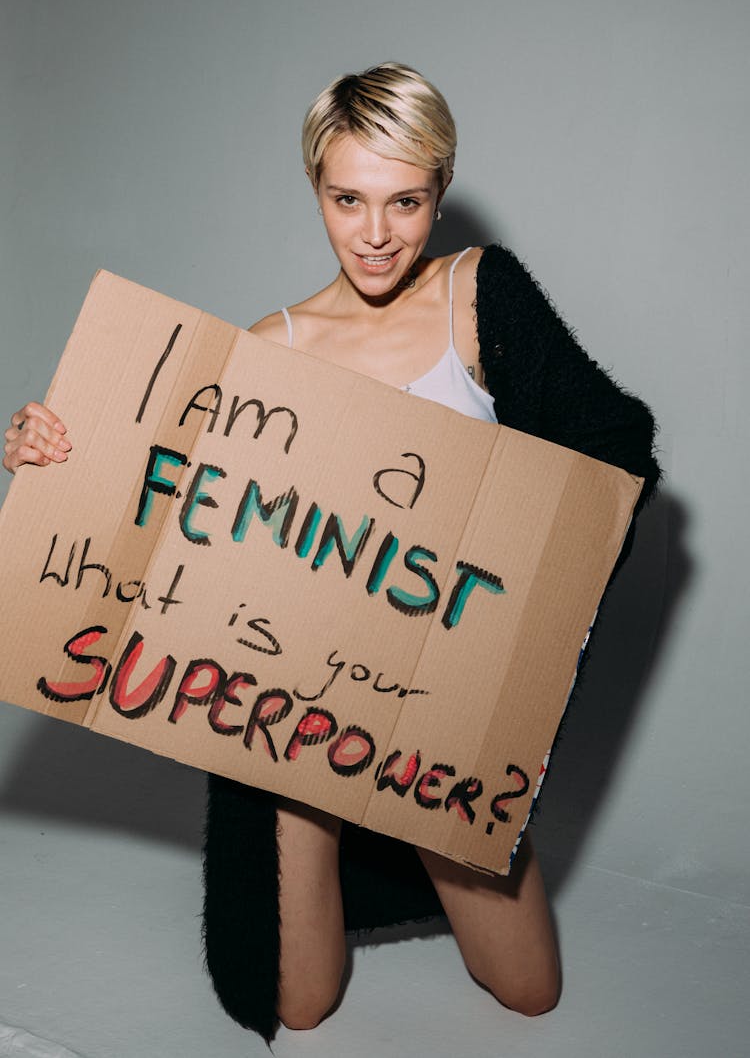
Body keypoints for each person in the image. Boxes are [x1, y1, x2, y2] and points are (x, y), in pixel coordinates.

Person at [3, 62, 660, 1042]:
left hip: (447, 713)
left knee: (529, 992)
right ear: (315, 186)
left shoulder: (475, 295)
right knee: (298, 1006)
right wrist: (58, 454)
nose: (376, 231)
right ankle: (304, 817)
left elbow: (610, 447)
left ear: (439, 193)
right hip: (304, 708)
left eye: (405, 200)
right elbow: (177, 510)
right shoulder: (277, 344)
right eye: (347, 198)